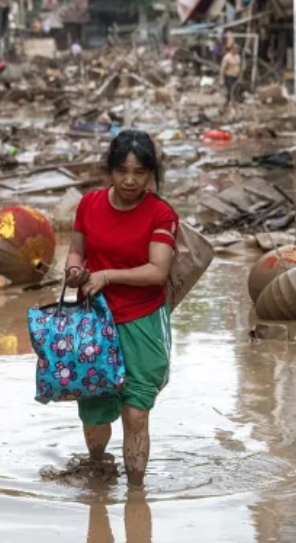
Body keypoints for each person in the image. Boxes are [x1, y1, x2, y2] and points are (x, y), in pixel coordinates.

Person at [64, 130, 179, 490]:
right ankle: (98, 472)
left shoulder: (161, 214)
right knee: (95, 409)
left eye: (140, 172)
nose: (130, 181)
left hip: (142, 321)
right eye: (122, 171)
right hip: (94, 322)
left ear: (151, 174)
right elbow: (76, 250)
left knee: (136, 411)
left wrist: (107, 276)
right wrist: (73, 270)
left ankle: (136, 494)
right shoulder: (89, 205)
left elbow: (157, 272)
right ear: (109, 170)